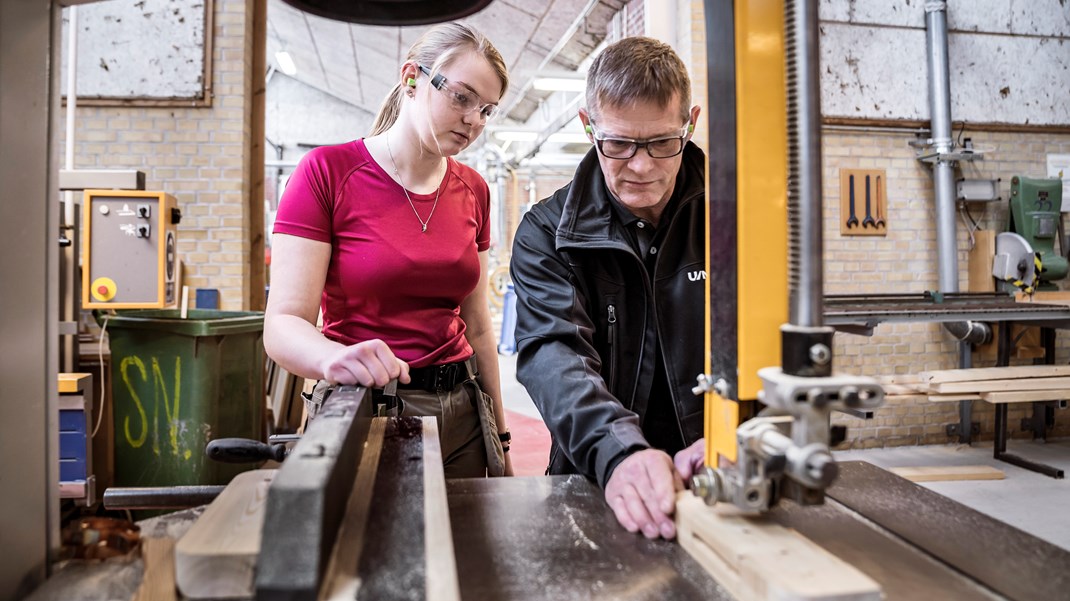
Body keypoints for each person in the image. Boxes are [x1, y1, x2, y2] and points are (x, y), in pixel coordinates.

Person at [264, 22, 513, 478]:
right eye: (461, 98)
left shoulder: (473, 189)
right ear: (412, 79)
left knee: (471, 547)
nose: (474, 121)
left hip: (463, 415)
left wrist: (500, 435)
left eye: (487, 110)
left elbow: (478, 328)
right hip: (363, 409)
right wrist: (330, 359)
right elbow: (282, 324)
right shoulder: (327, 172)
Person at [510, 36, 707, 538]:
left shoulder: (734, 214)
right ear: (587, 126)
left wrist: (747, 432)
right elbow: (556, 354)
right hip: (598, 475)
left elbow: (774, 334)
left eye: (664, 143)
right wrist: (619, 452)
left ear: (691, 123)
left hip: (718, 474)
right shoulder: (546, 233)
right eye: (618, 144)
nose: (642, 166)